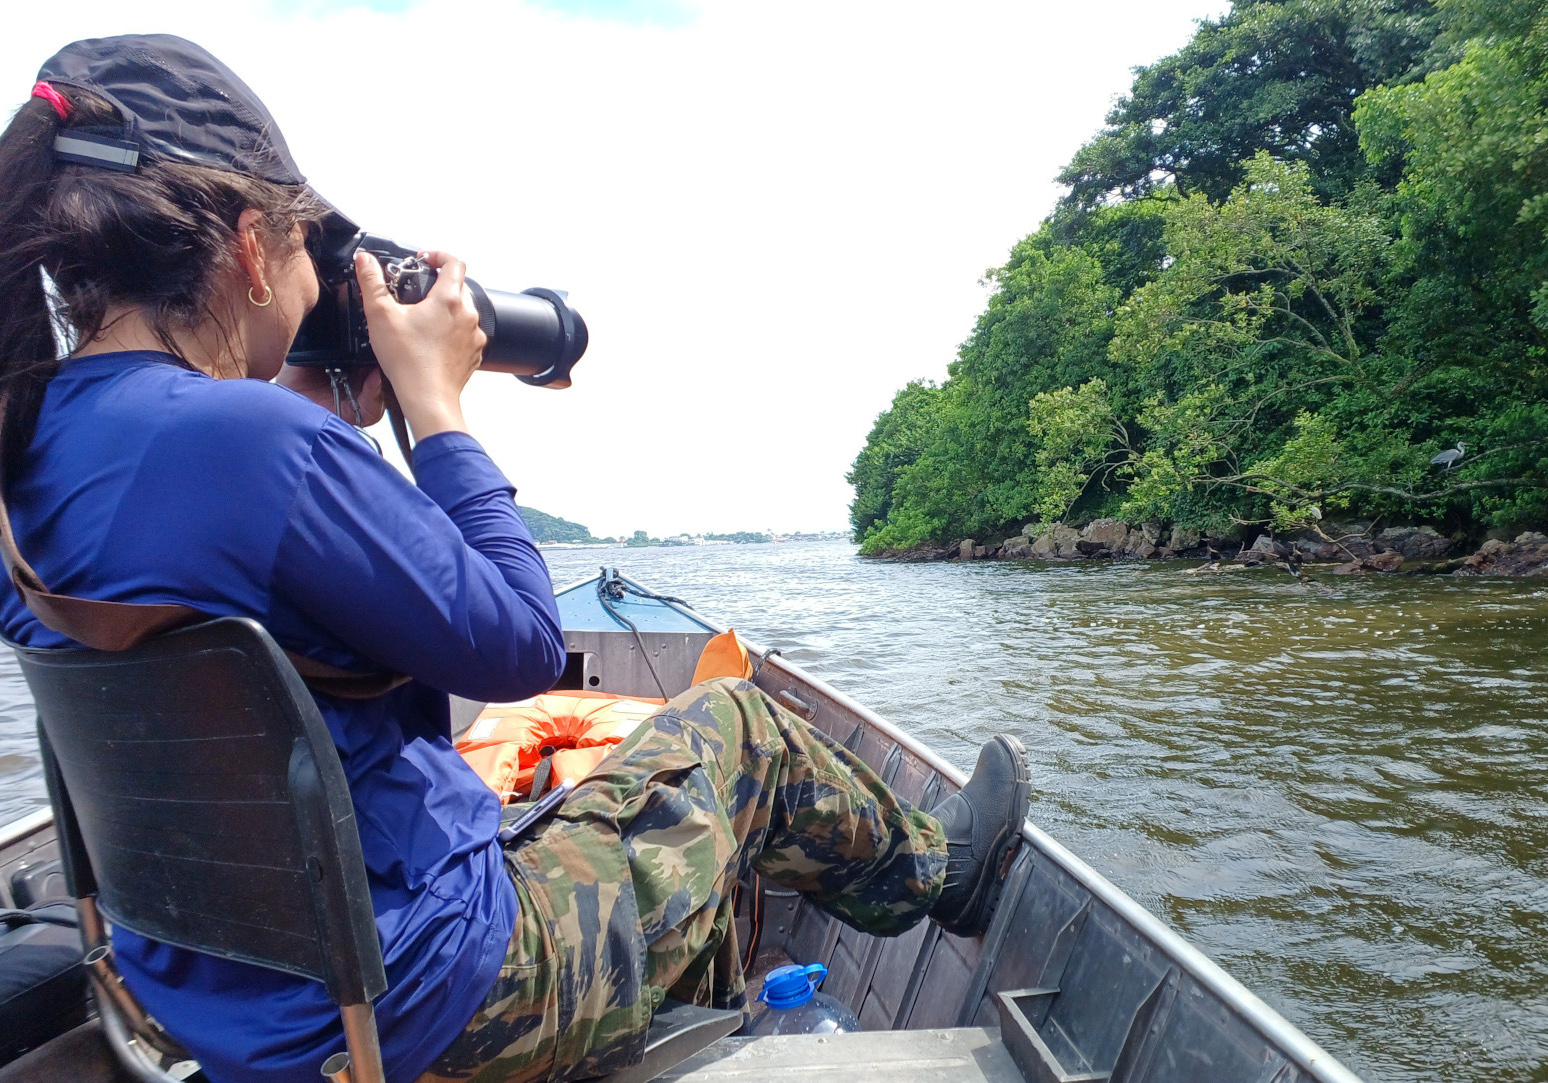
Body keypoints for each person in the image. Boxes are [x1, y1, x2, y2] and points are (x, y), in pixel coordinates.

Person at [0, 35, 1031, 1083]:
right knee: (740, 728)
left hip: (210, 1007)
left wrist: (325, 420)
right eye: (306, 249)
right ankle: (943, 874)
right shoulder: (256, 444)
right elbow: (524, 646)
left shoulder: (28, 453)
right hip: (426, 1002)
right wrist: (436, 408)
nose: (314, 289)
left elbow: (236, 568)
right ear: (250, 249)